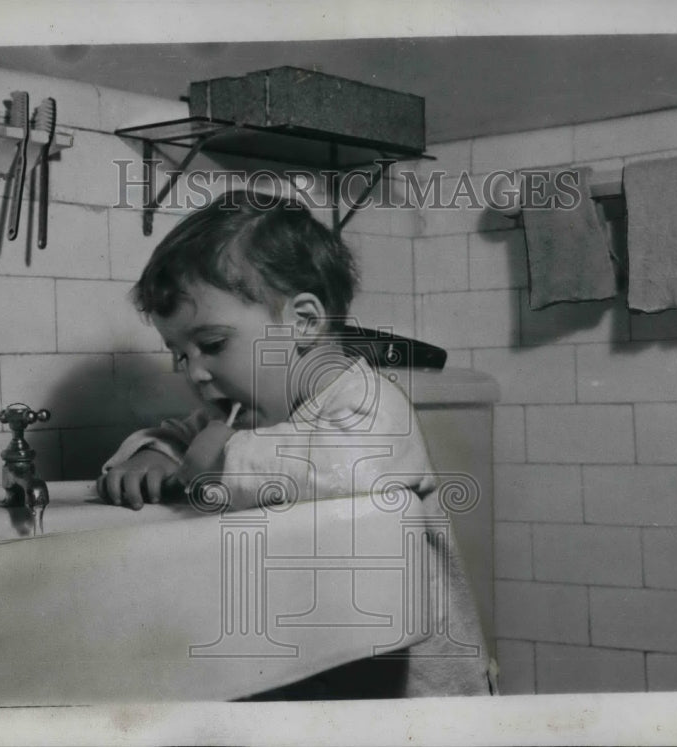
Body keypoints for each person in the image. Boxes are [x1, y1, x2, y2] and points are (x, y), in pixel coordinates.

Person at [99, 189, 495, 697]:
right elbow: (182, 437)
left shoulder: (367, 401)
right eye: (179, 353)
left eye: (213, 345)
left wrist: (221, 459)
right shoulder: (242, 412)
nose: (195, 372)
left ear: (303, 321)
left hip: (419, 685)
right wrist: (151, 453)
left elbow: (352, 471)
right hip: (321, 653)